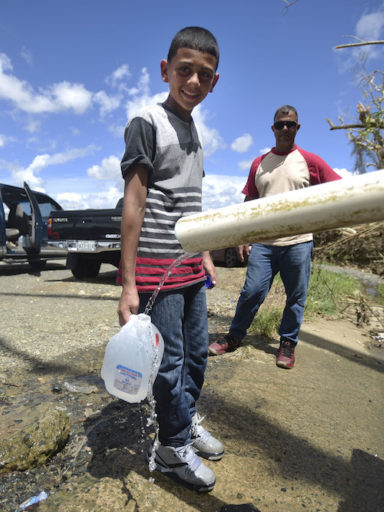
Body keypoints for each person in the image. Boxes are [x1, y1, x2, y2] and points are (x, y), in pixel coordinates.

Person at [117, 26, 222, 493]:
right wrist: (127, 284)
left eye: (204, 74)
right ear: (166, 70)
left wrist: (205, 255)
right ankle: (171, 446)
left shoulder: (196, 130)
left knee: (197, 355)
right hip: (157, 275)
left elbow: (191, 204)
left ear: (214, 81)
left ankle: (184, 422)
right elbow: (134, 203)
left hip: (190, 270)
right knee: (171, 361)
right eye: (185, 70)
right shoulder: (147, 121)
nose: (193, 81)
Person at [208, 105, 342, 369]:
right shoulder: (259, 164)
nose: (285, 129)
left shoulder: (310, 161)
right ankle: (234, 337)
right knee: (251, 292)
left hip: (298, 242)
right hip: (264, 244)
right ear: (273, 128)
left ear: (297, 128)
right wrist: (241, 237)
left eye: (290, 124)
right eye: (280, 124)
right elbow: (249, 202)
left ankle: (287, 344)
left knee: (296, 297)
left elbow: (337, 188)